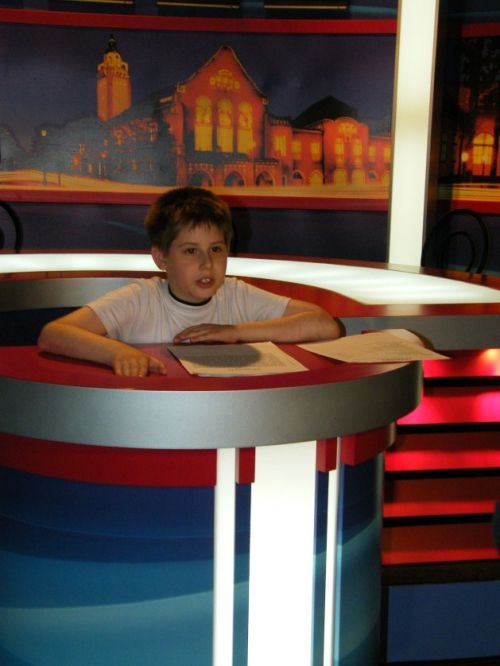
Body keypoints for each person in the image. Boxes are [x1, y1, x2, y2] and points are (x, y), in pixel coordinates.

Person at [38, 187, 341, 376]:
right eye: (191, 251)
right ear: (161, 258)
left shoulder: (234, 293)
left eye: (216, 249)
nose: (206, 263)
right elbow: (54, 334)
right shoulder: (141, 298)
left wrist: (235, 332)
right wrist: (117, 352)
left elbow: (324, 324)